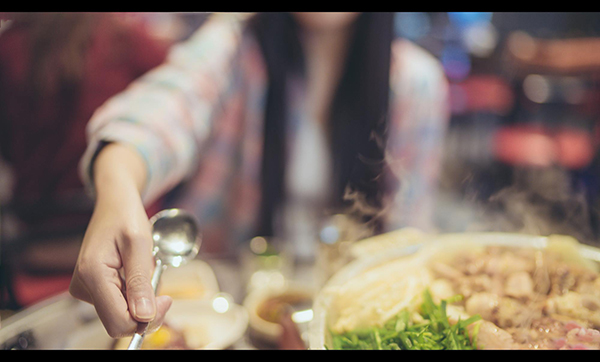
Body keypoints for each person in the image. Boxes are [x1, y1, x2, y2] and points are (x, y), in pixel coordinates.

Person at [68, 12, 450, 339]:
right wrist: (117, 189)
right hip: (231, 303)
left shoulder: (416, 83)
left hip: (348, 312)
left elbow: (409, 238)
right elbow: (154, 116)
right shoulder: (235, 48)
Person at [0, 12, 170, 306]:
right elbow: (163, 115)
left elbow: (7, 151)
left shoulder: (8, 45)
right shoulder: (125, 38)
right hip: (128, 248)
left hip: (33, 240)